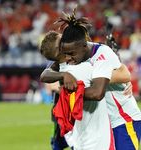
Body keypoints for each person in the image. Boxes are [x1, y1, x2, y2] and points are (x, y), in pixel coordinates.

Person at [40, 5, 141, 150]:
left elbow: (122, 76)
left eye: (70, 53)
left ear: (82, 46)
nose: (68, 56)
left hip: (123, 117)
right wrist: (64, 75)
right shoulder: (73, 57)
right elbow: (45, 74)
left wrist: (68, 91)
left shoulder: (100, 54)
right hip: (105, 122)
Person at [40, 30, 115, 150]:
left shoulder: (65, 67)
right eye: (62, 39)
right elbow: (122, 76)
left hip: (82, 139)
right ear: (62, 48)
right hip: (99, 141)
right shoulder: (83, 68)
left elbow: (44, 76)